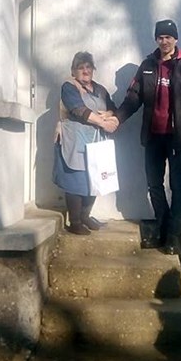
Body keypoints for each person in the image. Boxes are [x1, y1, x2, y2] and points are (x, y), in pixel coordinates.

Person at [116, 19, 181, 255]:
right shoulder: (147, 65)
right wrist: (117, 118)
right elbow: (133, 97)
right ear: (156, 39)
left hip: (178, 137)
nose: (164, 41)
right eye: (160, 37)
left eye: (168, 37)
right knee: (154, 185)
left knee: (177, 187)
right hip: (153, 137)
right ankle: (163, 229)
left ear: (176, 39)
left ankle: (173, 236)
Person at [53, 51, 119, 235]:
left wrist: (109, 115)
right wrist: (103, 123)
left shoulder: (100, 90)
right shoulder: (69, 86)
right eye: (80, 67)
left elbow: (113, 108)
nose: (85, 71)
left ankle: (85, 216)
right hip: (74, 140)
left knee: (95, 178)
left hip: (96, 141)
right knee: (75, 180)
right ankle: (74, 221)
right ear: (73, 71)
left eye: (88, 67)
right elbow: (78, 109)